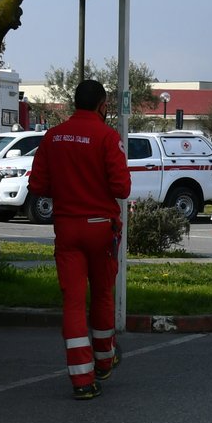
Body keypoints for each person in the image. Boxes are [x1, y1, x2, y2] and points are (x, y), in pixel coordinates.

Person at [26, 78, 131, 399]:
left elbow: (37, 186)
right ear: (102, 106)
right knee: (101, 295)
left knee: (72, 303)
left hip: (67, 228)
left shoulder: (53, 137)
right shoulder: (107, 137)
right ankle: (104, 359)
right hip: (100, 228)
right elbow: (122, 189)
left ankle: (82, 379)